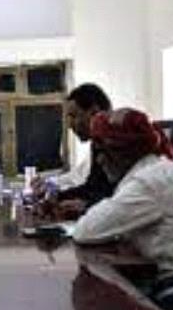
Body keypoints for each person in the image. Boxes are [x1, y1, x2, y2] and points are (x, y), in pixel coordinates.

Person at [73, 108, 173, 310]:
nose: (100, 161)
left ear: (124, 153)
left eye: (103, 151)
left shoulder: (148, 182)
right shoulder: (160, 169)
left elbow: (84, 231)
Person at [33, 83, 115, 218]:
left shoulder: (117, 144)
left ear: (94, 112)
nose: (70, 125)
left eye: (74, 116)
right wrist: (57, 197)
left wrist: (87, 206)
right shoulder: (97, 144)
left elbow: (121, 195)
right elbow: (93, 187)